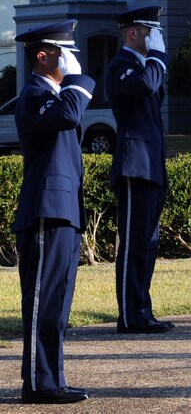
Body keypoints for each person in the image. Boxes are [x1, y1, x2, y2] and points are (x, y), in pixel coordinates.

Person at [13, 20, 94, 404]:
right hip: (45, 210)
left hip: (62, 210)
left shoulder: (57, 95)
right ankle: (38, 384)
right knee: (42, 302)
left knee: (57, 302)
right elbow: (68, 117)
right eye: (65, 52)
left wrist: (72, 85)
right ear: (43, 56)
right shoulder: (33, 95)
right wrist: (79, 81)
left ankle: (51, 380)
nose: (71, 59)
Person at [107, 6, 174, 334]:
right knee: (133, 244)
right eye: (151, 31)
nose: (157, 37)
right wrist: (158, 56)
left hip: (150, 167)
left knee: (147, 245)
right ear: (133, 32)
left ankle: (142, 311)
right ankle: (129, 316)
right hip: (134, 168)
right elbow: (148, 84)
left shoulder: (143, 67)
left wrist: (155, 59)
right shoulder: (121, 67)